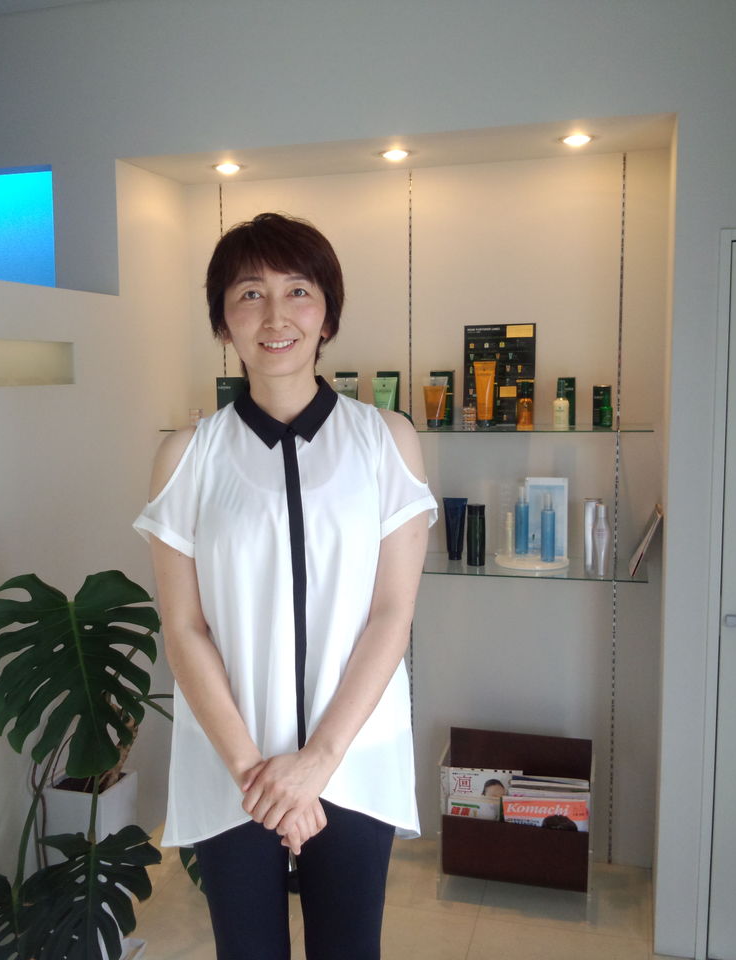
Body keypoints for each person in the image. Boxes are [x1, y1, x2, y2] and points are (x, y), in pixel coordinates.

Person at [133, 212, 436, 960]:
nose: (275, 316)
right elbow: (184, 628)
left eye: (298, 291)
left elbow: (391, 615)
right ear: (222, 321)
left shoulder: (385, 440)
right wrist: (261, 778)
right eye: (250, 294)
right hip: (232, 764)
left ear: (327, 313)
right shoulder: (188, 455)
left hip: (353, 756)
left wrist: (317, 765)